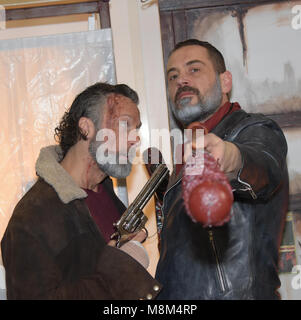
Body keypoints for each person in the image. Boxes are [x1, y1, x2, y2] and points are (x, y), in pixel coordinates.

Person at [1, 82, 162, 300]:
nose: (135, 139)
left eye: (137, 129)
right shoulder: (30, 220)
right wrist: (120, 268)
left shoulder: (104, 191)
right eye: (125, 125)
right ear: (86, 127)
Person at [155, 39, 289, 300]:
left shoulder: (256, 130)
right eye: (173, 76)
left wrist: (230, 158)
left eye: (194, 70)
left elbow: (262, 165)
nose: (181, 80)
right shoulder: (186, 153)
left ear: (225, 82)